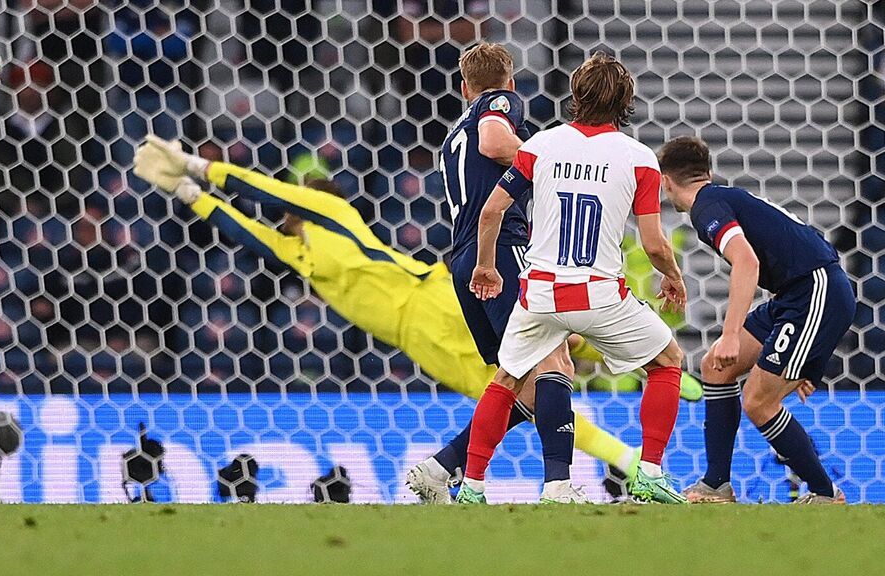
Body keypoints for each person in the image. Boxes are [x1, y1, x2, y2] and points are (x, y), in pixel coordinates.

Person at [130, 136, 638, 491]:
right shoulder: (300, 254)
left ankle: (615, 414)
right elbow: (247, 233)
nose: (283, 218)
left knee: (530, 374)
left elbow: (266, 192)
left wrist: (200, 168)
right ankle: (474, 469)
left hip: (431, 302)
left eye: (292, 209)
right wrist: (187, 195)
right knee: (512, 397)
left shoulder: (335, 215)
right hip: (417, 337)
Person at [409, 42, 700, 505]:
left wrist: (484, 263)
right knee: (665, 361)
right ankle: (633, 475)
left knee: (509, 378)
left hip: (526, 284)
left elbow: (491, 210)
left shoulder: (540, 146)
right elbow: (652, 243)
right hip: (597, 292)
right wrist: (674, 278)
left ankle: (468, 482)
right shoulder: (638, 157)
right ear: (626, 104)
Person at [658, 136, 856, 504]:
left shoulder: (706, 208)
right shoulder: (722, 198)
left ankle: (825, 493)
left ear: (665, 180)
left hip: (813, 292)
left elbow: (748, 262)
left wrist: (732, 333)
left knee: (758, 401)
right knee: (714, 368)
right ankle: (716, 484)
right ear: (707, 173)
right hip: (798, 294)